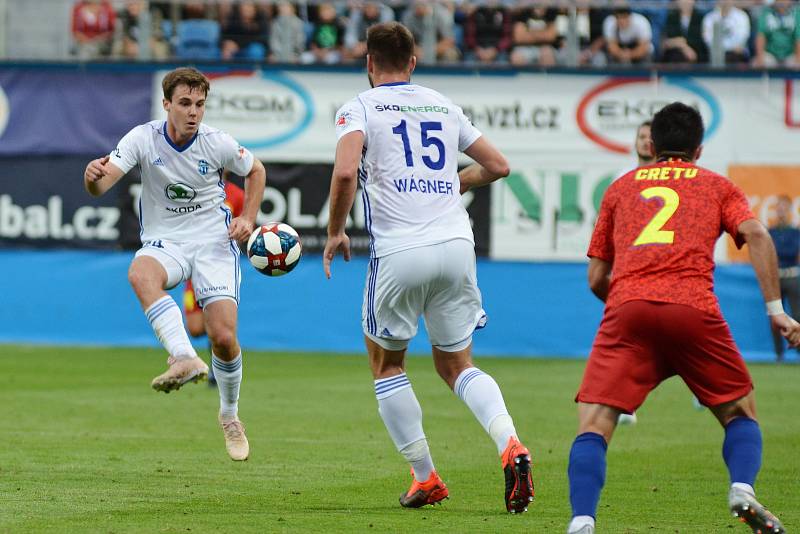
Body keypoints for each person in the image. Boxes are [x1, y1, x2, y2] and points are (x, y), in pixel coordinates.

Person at [324, 22, 534, 513]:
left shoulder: (358, 106)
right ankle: (511, 443)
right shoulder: (441, 103)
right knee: (458, 364)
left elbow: (345, 170)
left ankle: (426, 477)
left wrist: (336, 230)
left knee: (387, 364)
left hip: (400, 251)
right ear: (413, 62)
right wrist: (452, 182)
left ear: (369, 64)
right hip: (457, 246)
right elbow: (499, 166)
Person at [566, 102, 795, 534]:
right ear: (699, 148)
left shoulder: (620, 188)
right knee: (740, 414)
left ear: (652, 144)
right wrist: (776, 311)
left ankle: (582, 521)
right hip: (693, 310)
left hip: (628, 309)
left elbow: (596, 275)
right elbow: (758, 235)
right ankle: (743, 490)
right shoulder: (716, 186)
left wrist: (625, 307)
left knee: (595, 424)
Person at [83, 67, 267, 462]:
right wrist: (92, 177)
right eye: (184, 103)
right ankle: (183, 356)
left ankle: (230, 415)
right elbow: (102, 184)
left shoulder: (217, 143)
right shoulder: (142, 138)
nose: (193, 112)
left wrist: (248, 218)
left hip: (213, 244)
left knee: (222, 336)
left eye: (199, 104)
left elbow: (256, 170)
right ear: (166, 104)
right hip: (166, 241)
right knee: (139, 273)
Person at [183, 177, 245, 387]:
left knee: (218, 325)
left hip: (219, 266)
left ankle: (218, 369)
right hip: (194, 266)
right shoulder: (193, 188)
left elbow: (245, 225)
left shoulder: (236, 195)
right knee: (196, 329)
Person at [768, 194, 800, 362]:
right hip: (775, 278)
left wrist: (778, 251)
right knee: (775, 315)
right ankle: (779, 354)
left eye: (784, 207)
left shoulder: (795, 232)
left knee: (797, 315)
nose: (781, 210)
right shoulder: (770, 231)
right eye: (778, 207)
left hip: (791, 275)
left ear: (789, 210)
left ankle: (798, 350)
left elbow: (791, 252)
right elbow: (768, 253)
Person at [753, 0, 800, 68]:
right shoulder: (766, 13)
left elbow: (798, 38)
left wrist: (798, 58)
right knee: (757, 63)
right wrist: (760, 58)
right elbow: (761, 36)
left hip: (791, 54)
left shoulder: (797, 14)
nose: (781, 2)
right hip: (770, 54)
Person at [702, 0, 751, 65]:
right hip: (715, 53)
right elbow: (707, 39)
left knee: (737, 54)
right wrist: (724, 49)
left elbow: (742, 39)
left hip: (736, 54)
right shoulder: (709, 18)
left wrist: (726, 48)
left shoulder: (742, 16)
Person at [660, 0, 708, 64]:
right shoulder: (671, 17)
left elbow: (700, 41)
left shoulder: (700, 18)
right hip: (675, 57)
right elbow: (668, 41)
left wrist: (681, 43)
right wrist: (684, 47)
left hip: (696, 56)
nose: (685, 1)